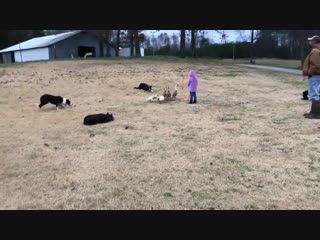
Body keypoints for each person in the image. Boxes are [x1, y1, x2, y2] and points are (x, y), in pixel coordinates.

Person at [303, 35, 320, 119]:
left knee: (314, 95)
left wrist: (310, 72)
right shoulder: (316, 50)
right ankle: (313, 112)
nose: (309, 42)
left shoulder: (315, 51)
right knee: (315, 94)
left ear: (315, 42)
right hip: (316, 75)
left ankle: (316, 114)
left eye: (311, 41)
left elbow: (316, 65)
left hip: (315, 75)